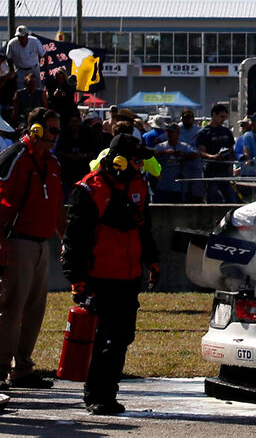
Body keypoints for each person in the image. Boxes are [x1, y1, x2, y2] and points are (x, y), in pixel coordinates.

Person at [62, 133, 159, 415]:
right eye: (137, 160)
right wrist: (77, 280)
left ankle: (108, 392)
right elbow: (73, 240)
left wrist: (152, 261)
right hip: (99, 276)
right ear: (119, 161)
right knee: (103, 339)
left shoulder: (139, 184)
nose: (142, 165)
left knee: (122, 337)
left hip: (129, 276)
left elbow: (145, 228)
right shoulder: (89, 190)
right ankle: (96, 394)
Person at [0, 107, 64, 390]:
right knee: (12, 307)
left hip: (41, 244)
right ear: (35, 130)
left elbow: (58, 207)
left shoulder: (52, 163)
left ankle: (23, 368)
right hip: (18, 242)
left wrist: (65, 239)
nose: (56, 136)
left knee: (35, 308)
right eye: (52, 130)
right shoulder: (16, 158)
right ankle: (1, 368)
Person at [194, 104, 237, 203]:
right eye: (221, 117)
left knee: (231, 198)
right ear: (214, 114)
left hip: (226, 171)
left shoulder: (227, 132)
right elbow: (202, 152)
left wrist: (231, 164)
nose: (223, 120)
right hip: (211, 171)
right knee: (212, 198)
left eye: (225, 118)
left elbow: (231, 150)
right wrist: (214, 157)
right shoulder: (204, 133)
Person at [153, 123, 199, 203]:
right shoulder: (161, 147)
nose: (169, 134)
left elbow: (195, 155)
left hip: (179, 187)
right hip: (163, 186)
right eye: (168, 132)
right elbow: (151, 155)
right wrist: (164, 153)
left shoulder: (184, 146)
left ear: (178, 133)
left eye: (172, 132)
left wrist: (184, 155)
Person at [5, 26, 45, 90]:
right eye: (18, 37)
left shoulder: (35, 42)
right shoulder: (12, 44)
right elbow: (9, 58)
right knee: (20, 90)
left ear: (27, 35)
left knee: (37, 89)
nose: (20, 39)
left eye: (22, 37)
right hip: (20, 70)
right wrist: (12, 70)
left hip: (34, 69)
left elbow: (44, 55)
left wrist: (47, 70)